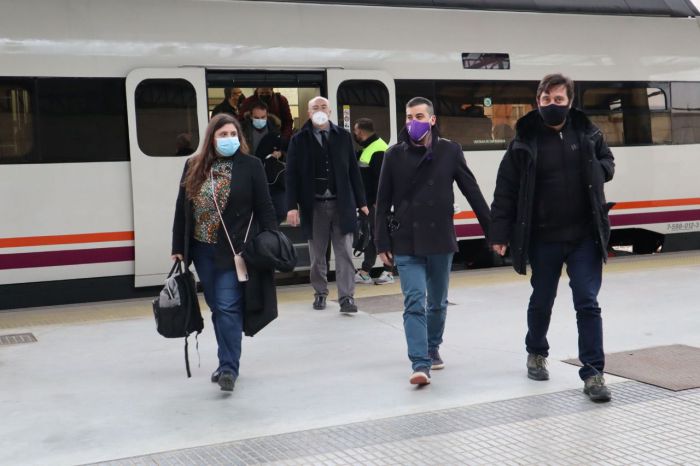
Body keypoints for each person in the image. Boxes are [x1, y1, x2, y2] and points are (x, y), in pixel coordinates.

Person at [489, 73, 615, 403]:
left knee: (587, 301)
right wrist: (499, 233)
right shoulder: (524, 139)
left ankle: (593, 373)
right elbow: (506, 191)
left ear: (569, 102)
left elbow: (608, 162)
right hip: (543, 237)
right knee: (542, 299)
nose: (552, 105)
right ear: (537, 101)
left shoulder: (587, 133)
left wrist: (597, 172)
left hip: (584, 236)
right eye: (546, 100)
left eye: (558, 100)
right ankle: (536, 351)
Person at [375, 97, 491, 386]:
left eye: (418, 116)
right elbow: (381, 202)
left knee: (437, 303)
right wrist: (380, 242)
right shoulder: (393, 155)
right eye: (408, 117)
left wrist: (494, 231)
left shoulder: (450, 151)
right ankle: (420, 362)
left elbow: (472, 191)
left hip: (440, 237)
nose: (412, 122)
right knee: (414, 300)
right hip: (406, 239)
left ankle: (432, 346)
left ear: (432, 120)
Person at [171, 113, 278, 392]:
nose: (229, 139)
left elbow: (265, 207)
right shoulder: (193, 166)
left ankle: (229, 367)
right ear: (211, 138)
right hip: (201, 250)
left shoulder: (251, 166)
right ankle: (224, 361)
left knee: (229, 306)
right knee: (218, 308)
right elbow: (183, 209)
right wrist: (177, 248)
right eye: (223, 135)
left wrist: (271, 240)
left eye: (233, 135)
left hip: (233, 251)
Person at [285, 96, 369, 313]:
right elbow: (291, 175)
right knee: (317, 255)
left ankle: (346, 298)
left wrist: (362, 202)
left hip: (343, 204)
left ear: (330, 112)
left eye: (323, 107)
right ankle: (320, 293)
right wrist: (291, 206)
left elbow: (353, 171)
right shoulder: (298, 139)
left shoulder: (343, 136)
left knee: (345, 254)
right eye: (315, 107)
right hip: (314, 205)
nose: (320, 110)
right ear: (308, 113)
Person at [351, 117, 394, 286]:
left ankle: (388, 271)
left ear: (360, 132)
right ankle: (366, 271)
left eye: (355, 131)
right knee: (370, 236)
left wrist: (377, 203)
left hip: (374, 204)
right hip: (367, 203)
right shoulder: (369, 148)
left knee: (380, 235)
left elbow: (381, 181)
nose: (354, 134)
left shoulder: (378, 150)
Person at [241, 101, 287, 223]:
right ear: (251, 116)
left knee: (280, 211)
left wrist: (280, 154)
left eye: (263, 117)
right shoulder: (241, 131)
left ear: (267, 116)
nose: (260, 120)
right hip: (250, 177)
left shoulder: (275, 130)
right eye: (256, 118)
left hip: (272, 179)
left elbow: (286, 150)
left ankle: (271, 234)